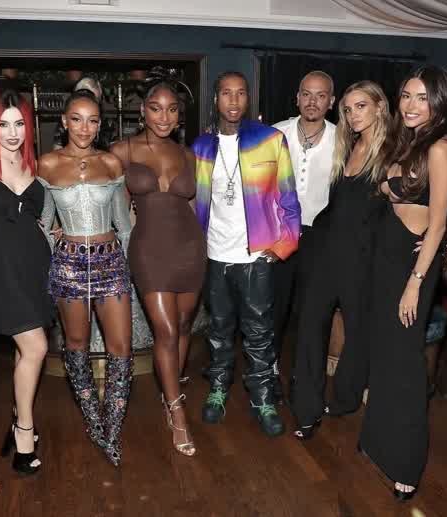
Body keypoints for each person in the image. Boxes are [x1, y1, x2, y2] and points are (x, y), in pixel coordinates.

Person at [359, 66, 447, 500]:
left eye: (422, 97)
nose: (412, 105)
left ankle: (408, 463)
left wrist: (416, 282)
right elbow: (389, 191)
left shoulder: (440, 147)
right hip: (386, 256)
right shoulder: (406, 141)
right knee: (383, 354)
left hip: (411, 265)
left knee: (406, 365)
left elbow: (439, 222)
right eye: (406, 95)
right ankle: (378, 443)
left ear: (439, 102)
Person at [192, 71, 300, 436]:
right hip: (215, 253)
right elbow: (195, 203)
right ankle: (218, 388)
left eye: (240, 93)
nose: (234, 100)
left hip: (256, 256)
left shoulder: (270, 140)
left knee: (259, 333)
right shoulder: (201, 147)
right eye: (227, 93)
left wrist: (283, 246)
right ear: (216, 99)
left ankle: (263, 398)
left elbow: (288, 197)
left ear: (248, 98)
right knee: (219, 330)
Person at [111, 70, 206, 456]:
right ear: (143, 112)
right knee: (165, 331)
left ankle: (171, 388)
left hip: (190, 248)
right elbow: (108, 201)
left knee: (183, 326)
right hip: (149, 249)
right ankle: (177, 412)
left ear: (179, 115)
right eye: (155, 108)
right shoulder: (122, 151)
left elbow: (195, 205)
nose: (164, 117)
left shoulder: (188, 155)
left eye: (171, 109)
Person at [291, 81, 390, 440]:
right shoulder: (347, 147)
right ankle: (306, 410)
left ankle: (346, 398)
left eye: (361, 106)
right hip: (325, 252)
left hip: (362, 260)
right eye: (347, 109)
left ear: (380, 107)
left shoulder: (393, 154)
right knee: (308, 329)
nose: (352, 114)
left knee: (359, 334)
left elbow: (406, 208)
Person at [39, 89, 133, 467]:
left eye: (92, 120)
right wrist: (56, 247)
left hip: (110, 262)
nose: (84, 128)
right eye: (76, 119)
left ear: (99, 124)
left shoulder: (110, 163)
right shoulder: (47, 164)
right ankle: (94, 422)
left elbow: (124, 226)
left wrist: (129, 268)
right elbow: (44, 223)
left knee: (121, 348)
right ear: (64, 121)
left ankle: (112, 429)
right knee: (76, 345)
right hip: (69, 265)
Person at [0, 88, 51, 475]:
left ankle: (19, 417)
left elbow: (36, 220)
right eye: (3, 124)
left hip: (34, 265)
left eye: (19, 124)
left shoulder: (33, 164)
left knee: (25, 350)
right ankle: (24, 433)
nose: (12, 133)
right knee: (36, 347)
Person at [272, 71, 336, 401]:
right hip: (278, 234)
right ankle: (267, 374)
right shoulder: (275, 133)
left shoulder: (343, 141)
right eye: (307, 94)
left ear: (331, 101)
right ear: (297, 97)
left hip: (319, 238)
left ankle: (304, 380)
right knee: (273, 309)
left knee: (311, 314)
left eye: (321, 95)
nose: (313, 101)